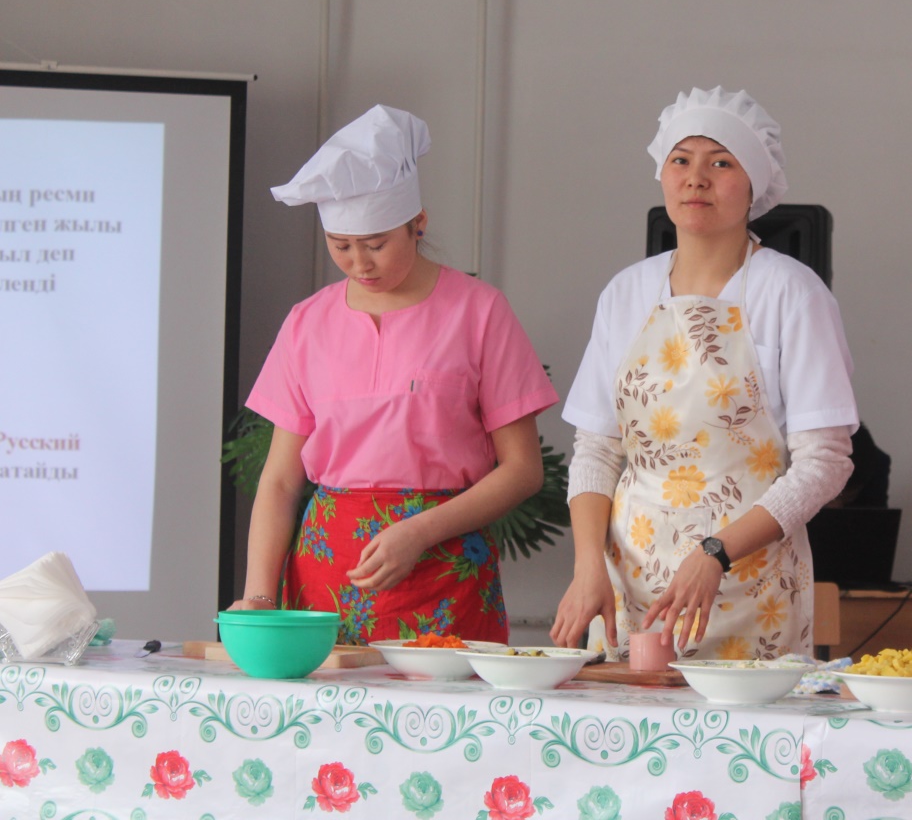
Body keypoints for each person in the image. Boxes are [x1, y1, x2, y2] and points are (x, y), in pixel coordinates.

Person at [230, 105, 558, 645]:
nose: (360, 263)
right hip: (326, 575)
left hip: (444, 569)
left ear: (417, 223)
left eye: (377, 244)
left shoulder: (478, 312)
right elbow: (282, 480)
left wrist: (420, 531)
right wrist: (260, 599)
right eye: (341, 246)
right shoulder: (307, 322)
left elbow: (522, 469)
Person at [551, 87, 858, 661]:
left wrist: (716, 552)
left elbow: (825, 461)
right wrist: (588, 564)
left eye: (721, 163)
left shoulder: (792, 292)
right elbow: (596, 448)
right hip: (630, 592)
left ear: (754, 186)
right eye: (681, 160)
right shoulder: (625, 293)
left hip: (752, 588)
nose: (696, 179)